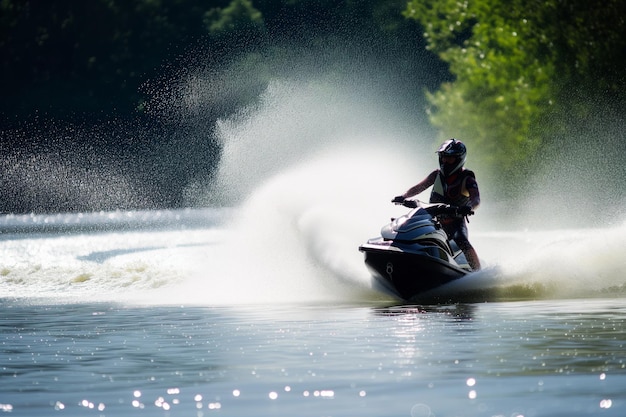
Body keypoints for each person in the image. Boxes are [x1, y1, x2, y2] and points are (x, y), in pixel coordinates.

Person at [393, 138, 481, 271]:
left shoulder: (467, 178)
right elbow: (419, 187)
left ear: (458, 159)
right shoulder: (436, 175)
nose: (445, 161)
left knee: (461, 240)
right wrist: (404, 196)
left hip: (455, 223)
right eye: (443, 157)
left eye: (449, 158)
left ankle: (478, 272)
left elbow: (476, 199)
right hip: (433, 219)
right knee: (408, 226)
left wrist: (469, 207)